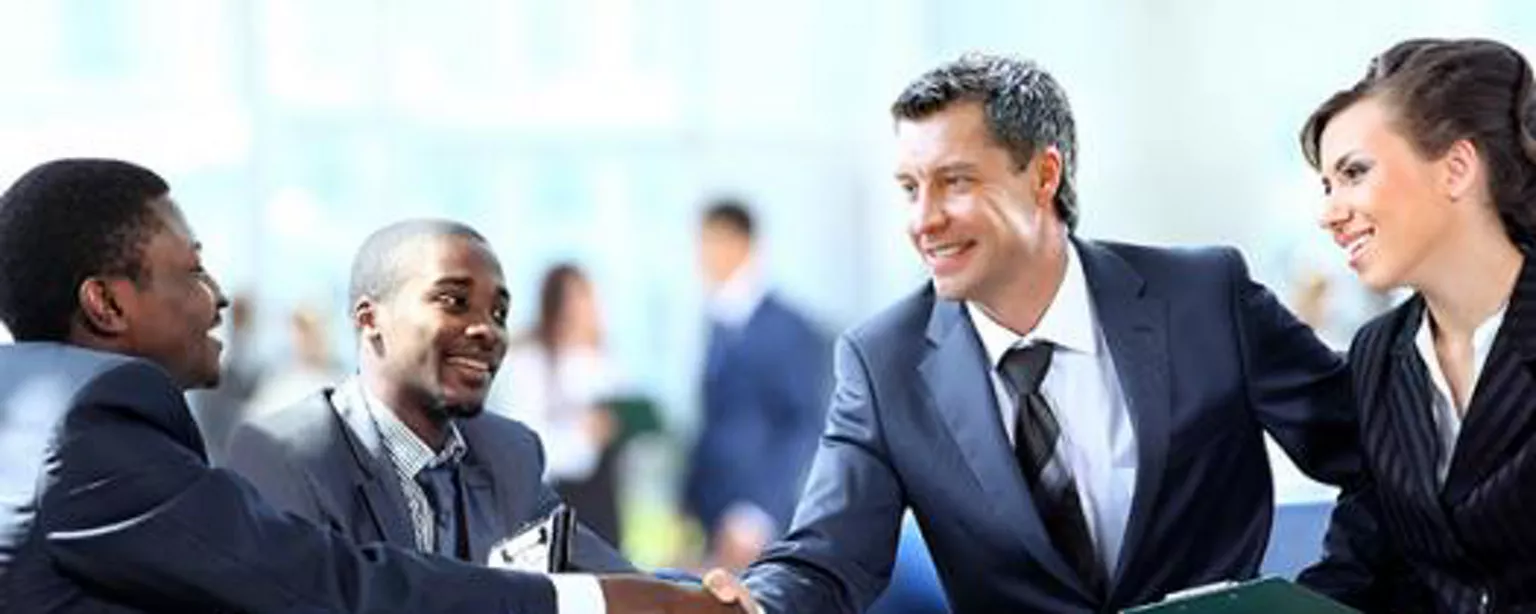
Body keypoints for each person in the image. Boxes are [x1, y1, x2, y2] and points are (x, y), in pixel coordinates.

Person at [701, 53, 1363, 613]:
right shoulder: (883, 363)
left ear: (1044, 176)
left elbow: (1378, 456)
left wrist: (1334, 591)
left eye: (954, 182)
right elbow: (826, 555)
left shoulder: (1203, 300)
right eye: (909, 188)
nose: (923, 219)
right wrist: (760, 604)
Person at [0, 158, 738, 613]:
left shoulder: (31, 406)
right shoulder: (95, 427)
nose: (217, 295)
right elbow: (331, 587)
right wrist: (599, 607)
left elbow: (584, 559)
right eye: (190, 270)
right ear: (106, 302)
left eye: (500, 311)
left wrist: (674, 594)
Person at [224, 221, 631, 572]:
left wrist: (691, 597)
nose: (486, 330)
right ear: (371, 320)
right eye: (455, 302)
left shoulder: (507, 452)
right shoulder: (285, 455)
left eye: (499, 314)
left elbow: (608, 577)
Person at [1293, 38, 1536, 612]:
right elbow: (1361, 565)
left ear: (1456, 169)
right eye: (1328, 186)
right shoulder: (1378, 354)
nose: (1329, 213)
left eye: (1353, 173)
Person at [683, 199, 830, 571]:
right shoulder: (718, 322)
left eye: (710, 242)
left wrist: (757, 513)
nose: (702, 256)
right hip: (713, 516)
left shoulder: (787, 327)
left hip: (758, 523)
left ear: (741, 243)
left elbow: (803, 426)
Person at [492, 263, 625, 545]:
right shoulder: (529, 362)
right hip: (554, 503)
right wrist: (584, 436)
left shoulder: (602, 362)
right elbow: (529, 444)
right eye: (573, 301)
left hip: (601, 503)